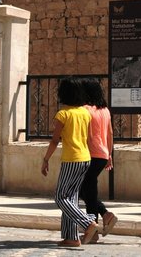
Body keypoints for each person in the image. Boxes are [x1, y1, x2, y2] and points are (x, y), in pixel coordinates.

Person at [41, 78, 99, 247]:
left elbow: (54, 141)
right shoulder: (85, 113)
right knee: (71, 198)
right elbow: (88, 138)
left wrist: (45, 160)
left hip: (71, 160)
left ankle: (87, 223)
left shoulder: (63, 114)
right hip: (85, 158)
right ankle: (71, 238)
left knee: (60, 198)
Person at [79, 78, 118, 238]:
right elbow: (110, 134)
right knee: (89, 188)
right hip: (102, 155)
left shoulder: (85, 110)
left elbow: (85, 135)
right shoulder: (105, 110)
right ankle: (100, 219)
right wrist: (109, 155)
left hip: (90, 153)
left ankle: (97, 222)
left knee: (82, 190)